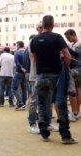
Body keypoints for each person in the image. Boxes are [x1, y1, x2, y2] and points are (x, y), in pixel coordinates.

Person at [30, 15, 77, 144]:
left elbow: (35, 57)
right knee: (60, 104)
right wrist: (65, 68)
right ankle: (65, 136)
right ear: (53, 24)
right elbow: (67, 56)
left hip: (40, 75)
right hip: (55, 75)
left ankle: (44, 132)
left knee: (42, 103)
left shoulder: (34, 40)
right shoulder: (57, 37)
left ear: (43, 25)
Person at [64, 29, 81, 121]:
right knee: (77, 89)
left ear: (74, 34)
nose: (68, 40)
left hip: (76, 69)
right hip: (77, 70)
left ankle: (75, 112)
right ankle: (77, 112)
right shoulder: (74, 44)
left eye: (69, 37)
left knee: (72, 90)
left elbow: (75, 54)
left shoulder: (78, 44)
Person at [12, 41, 27, 111]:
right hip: (25, 73)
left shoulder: (17, 52)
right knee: (24, 89)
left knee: (13, 88)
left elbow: (16, 63)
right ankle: (23, 103)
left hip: (18, 72)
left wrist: (21, 68)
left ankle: (20, 103)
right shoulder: (26, 52)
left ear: (18, 45)